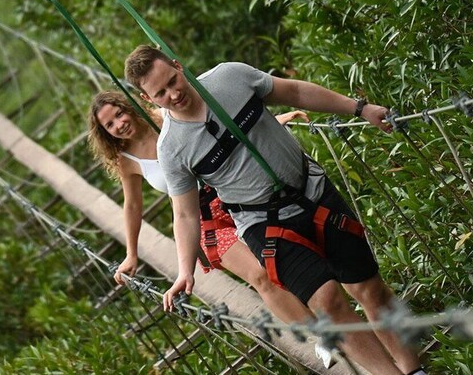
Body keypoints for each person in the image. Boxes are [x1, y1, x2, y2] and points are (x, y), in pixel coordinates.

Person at [123, 45, 427, 375]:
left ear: (179, 66)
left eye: (172, 81)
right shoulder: (172, 148)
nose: (173, 94)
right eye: (161, 93)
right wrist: (185, 270)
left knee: (370, 289)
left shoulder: (230, 77)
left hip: (313, 192)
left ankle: (414, 368)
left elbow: (294, 91)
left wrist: (359, 108)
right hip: (264, 225)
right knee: (327, 303)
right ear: (148, 99)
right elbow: (184, 214)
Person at [87, 91, 315, 324]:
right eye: (110, 124)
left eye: (119, 114)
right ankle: (324, 337)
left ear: (129, 107)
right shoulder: (126, 161)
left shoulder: (167, 117)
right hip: (202, 219)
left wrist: (272, 121)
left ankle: (336, 318)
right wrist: (131, 254)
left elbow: (224, 134)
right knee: (259, 275)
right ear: (105, 132)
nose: (119, 124)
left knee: (285, 258)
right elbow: (133, 206)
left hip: (238, 195)